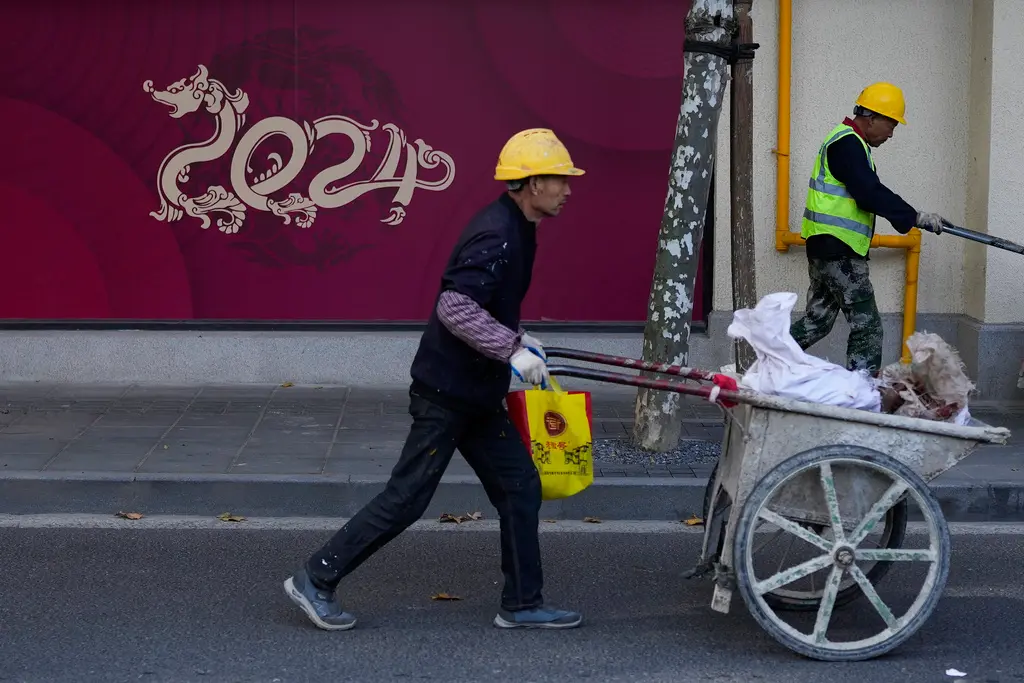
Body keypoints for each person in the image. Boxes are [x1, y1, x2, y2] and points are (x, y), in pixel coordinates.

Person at [283, 128, 586, 631]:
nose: (568, 189)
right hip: (447, 395)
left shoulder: (520, 227)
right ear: (533, 183)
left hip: (476, 393)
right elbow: (455, 306)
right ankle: (316, 578)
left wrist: (521, 339)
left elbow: (487, 304)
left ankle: (523, 603)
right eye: (560, 179)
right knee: (406, 499)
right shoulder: (499, 232)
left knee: (520, 489)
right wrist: (510, 348)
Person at [789, 82, 949, 375]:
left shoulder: (846, 142)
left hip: (826, 248)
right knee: (868, 329)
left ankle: (761, 362)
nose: (891, 134)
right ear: (871, 117)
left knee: (817, 322)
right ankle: (862, 399)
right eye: (891, 124)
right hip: (839, 251)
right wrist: (914, 216)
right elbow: (868, 192)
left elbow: (864, 191)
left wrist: (911, 216)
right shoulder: (847, 143)